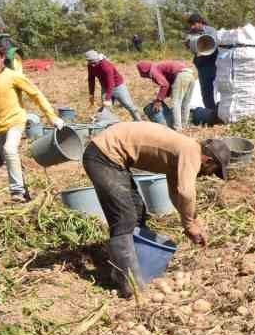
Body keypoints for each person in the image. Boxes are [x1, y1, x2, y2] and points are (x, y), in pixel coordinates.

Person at [81, 121, 231, 297]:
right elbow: (186, 192)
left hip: (113, 158)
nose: (209, 174)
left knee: (137, 211)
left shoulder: (181, 154)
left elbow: (176, 193)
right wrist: (189, 223)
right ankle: (131, 285)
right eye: (213, 170)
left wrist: (192, 221)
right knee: (125, 218)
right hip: (103, 156)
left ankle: (132, 268)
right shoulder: (191, 151)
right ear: (209, 160)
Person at [0, 37, 58, 202]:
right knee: (8, 160)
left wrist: (51, 116)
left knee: (10, 150)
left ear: (3, 58)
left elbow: (35, 94)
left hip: (15, 121)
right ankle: (25, 193)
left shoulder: (13, 76)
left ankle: (16, 192)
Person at [135, 60, 197, 130]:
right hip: (190, 75)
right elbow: (168, 84)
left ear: (144, 70)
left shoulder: (153, 70)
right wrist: (162, 98)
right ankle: (184, 125)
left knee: (175, 104)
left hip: (181, 75)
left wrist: (159, 100)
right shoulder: (158, 66)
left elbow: (165, 85)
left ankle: (177, 128)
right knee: (185, 103)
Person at [86, 51, 141, 120]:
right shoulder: (90, 65)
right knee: (106, 109)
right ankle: (108, 125)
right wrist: (91, 95)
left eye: (94, 63)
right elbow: (91, 79)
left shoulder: (105, 65)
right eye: (91, 63)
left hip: (118, 86)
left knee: (129, 105)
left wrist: (107, 99)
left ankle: (139, 121)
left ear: (98, 60)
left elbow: (111, 83)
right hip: (105, 87)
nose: (93, 65)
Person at [186, 12, 219, 121]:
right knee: (206, 90)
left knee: (221, 87)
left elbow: (215, 44)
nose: (192, 27)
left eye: (193, 24)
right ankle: (211, 113)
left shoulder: (211, 30)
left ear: (200, 22)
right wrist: (188, 44)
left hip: (214, 63)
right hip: (202, 65)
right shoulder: (191, 33)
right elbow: (189, 46)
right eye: (190, 25)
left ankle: (221, 110)